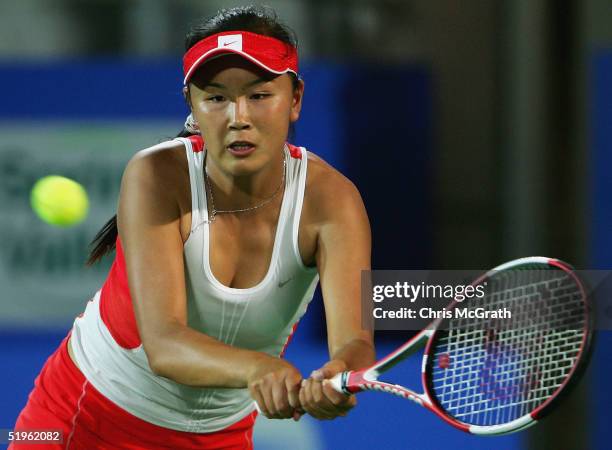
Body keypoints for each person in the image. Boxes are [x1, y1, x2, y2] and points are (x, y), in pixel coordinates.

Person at [11, 5, 375, 449]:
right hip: (82, 417)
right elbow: (165, 345)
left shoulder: (333, 200)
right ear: (192, 105)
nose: (237, 116)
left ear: (295, 99)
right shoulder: (155, 176)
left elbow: (354, 340)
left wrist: (340, 375)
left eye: (259, 95)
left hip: (219, 437)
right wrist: (259, 368)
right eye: (216, 97)